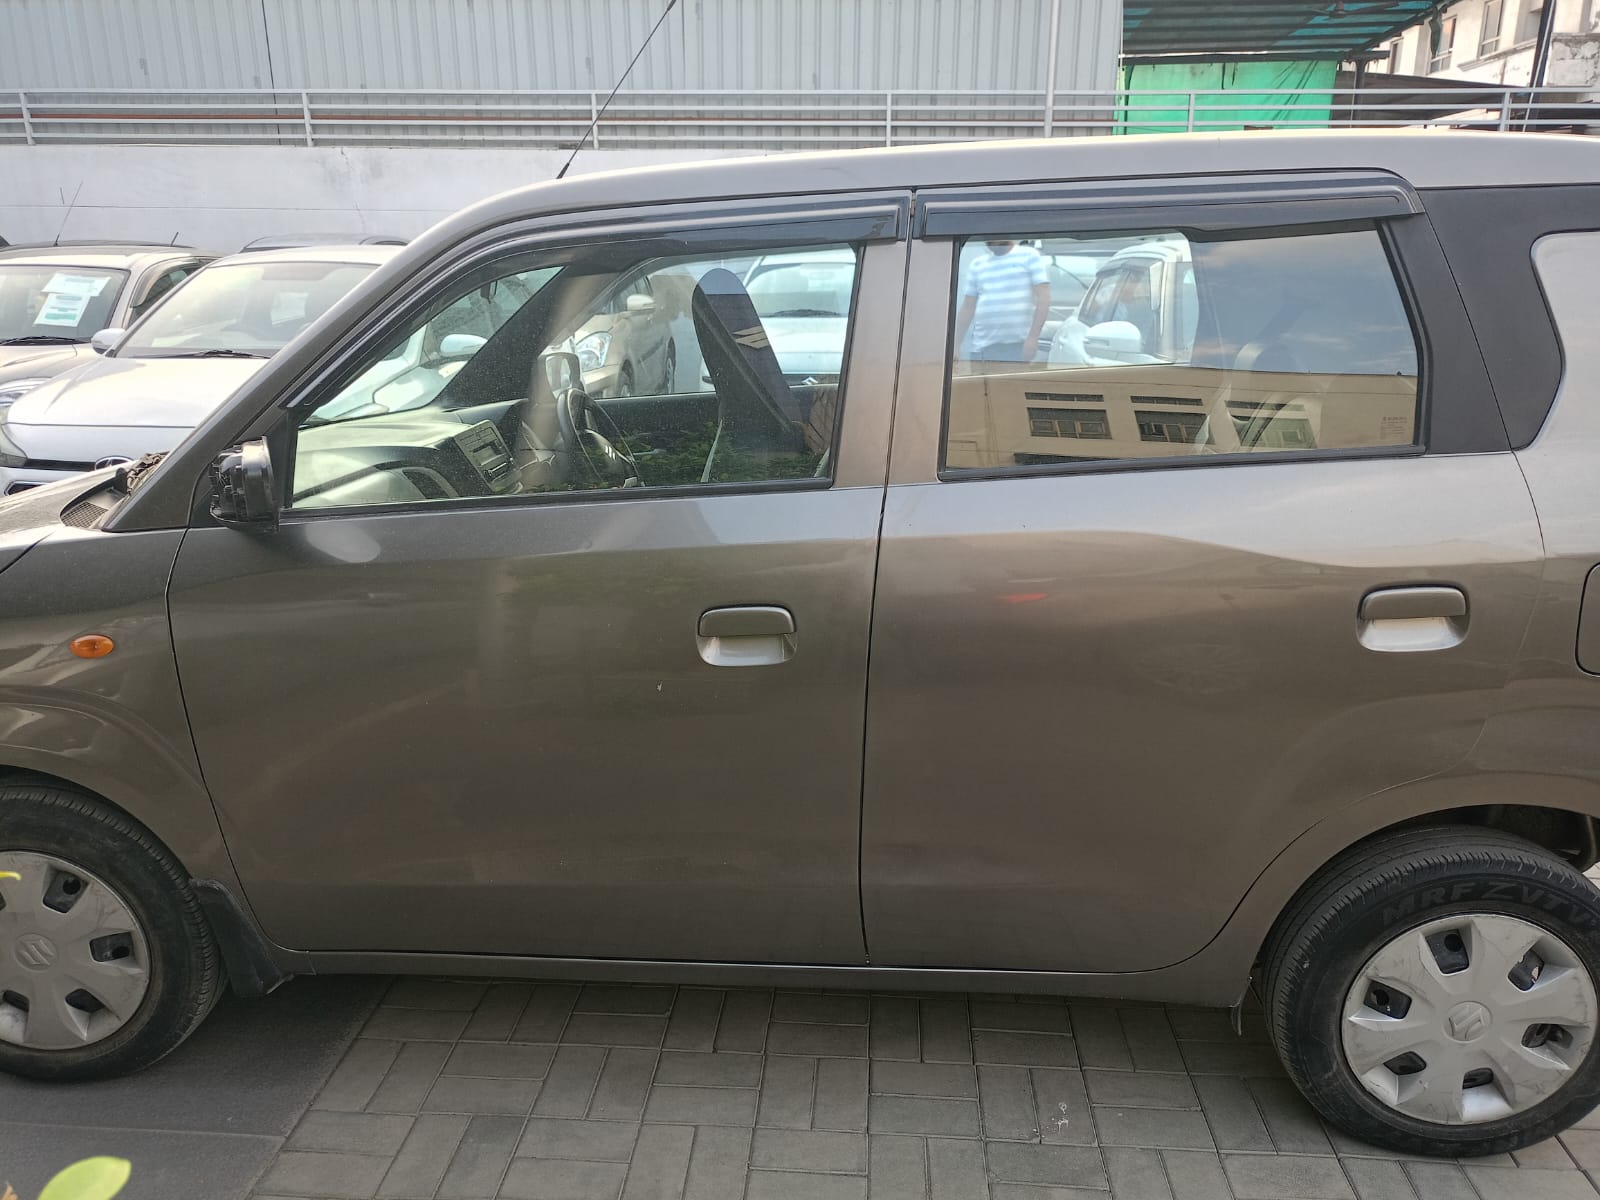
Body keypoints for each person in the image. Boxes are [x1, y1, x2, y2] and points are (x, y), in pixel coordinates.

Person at [954, 240, 1052, 366]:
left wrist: (1033, 338)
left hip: (1016, 348)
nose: (990, 242)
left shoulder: (1029, 256)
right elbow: (968, 307)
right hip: (982, 349)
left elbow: (1044, 298)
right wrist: (956, 344)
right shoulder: (977, 264)